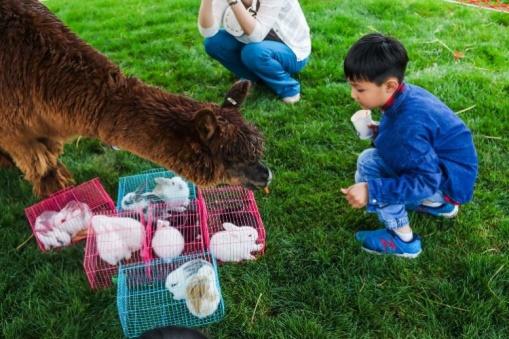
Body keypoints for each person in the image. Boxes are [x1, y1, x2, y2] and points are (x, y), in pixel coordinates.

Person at [341, 33, 478, 258]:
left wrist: (371, 190)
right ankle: (438, 205)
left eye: (360, 89)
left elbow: (425, 180)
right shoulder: (406, 95)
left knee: (369, 165)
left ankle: (402, 239)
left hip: (441, 183)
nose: (353, 95)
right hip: (453, 177)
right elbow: (417, 140)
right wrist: (379, 130)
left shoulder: (407, 129)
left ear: (390, 85)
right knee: (378, 160)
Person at [197, 0, 311, 104]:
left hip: (291, 51)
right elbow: (208, 32)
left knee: (252, 52)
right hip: (254, 42)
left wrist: (233, 2)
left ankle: (289, 89)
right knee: (214, 42)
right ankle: (251, 77)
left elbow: (256, 35)